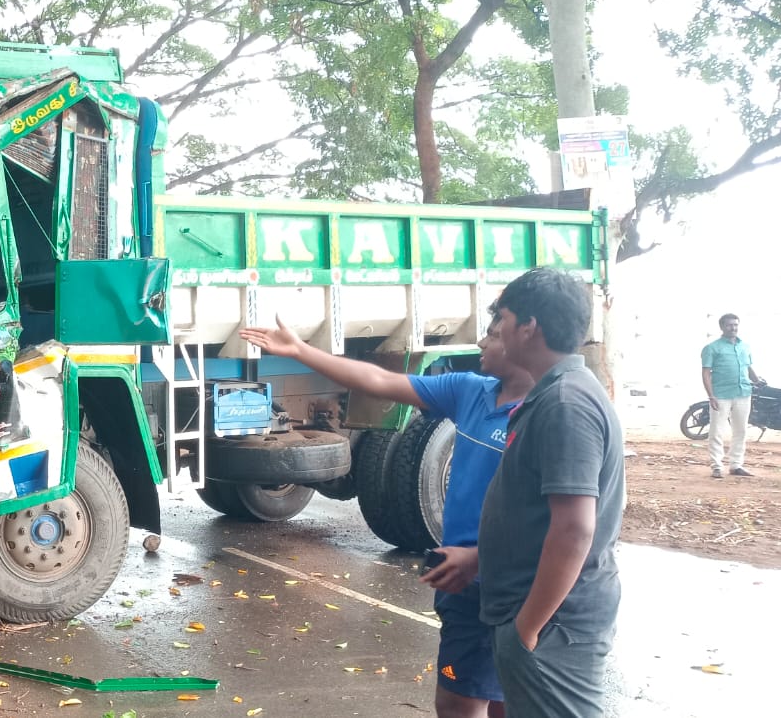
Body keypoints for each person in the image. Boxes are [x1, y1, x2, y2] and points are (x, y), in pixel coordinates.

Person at [240, 317, 530, 718]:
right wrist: (301, 351)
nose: (482, 340)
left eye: (494, 335)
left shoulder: (545, 416)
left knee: (493, 701)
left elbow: (568, 527)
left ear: (527, 337)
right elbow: (377, 381)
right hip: (464, 587)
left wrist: (485, 561)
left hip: (510, 584)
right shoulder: (471, 392)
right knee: (462, 699)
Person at [477, 267, 625, 718]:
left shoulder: (566, 404)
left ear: (529, 327)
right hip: (545, 616)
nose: (497, 330)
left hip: (552, 623)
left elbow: (575, 529)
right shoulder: (557, 394)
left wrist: (529, 627)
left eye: (502, 317)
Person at [701, 313, 767, 478]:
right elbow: (706, 373)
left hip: (743, 393)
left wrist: (757, 380)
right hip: (721, 394)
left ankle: (736, 465)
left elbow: (748, 368)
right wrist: (711, 396)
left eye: (736, 325)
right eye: (730, 325)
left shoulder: (745, 346)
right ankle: (716, 466)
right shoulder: (712, 348)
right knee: (716, 430)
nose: (733, 328)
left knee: (741, 430)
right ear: (722, 327)